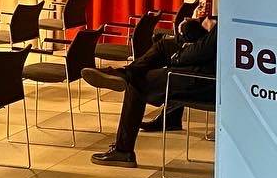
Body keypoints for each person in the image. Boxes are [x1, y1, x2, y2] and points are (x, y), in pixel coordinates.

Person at [92, 12, 216, 168]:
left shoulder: (233, 15)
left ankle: (123, 151)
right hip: (208, 63)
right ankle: (126, 74)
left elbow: (205, 50)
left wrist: (177, 57)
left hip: (208, 79)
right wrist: (198, 24)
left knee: (138, 81)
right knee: (163, 46)